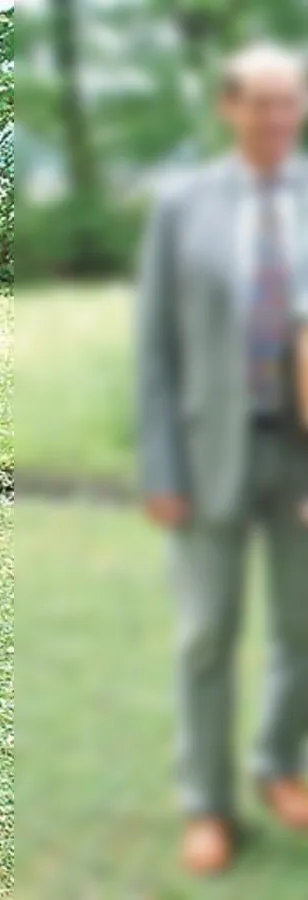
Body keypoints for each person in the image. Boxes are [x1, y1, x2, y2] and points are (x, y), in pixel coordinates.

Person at [136, 42, 308, 875]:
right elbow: (157, 349)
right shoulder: (185, 205)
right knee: (208, 634)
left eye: (289, 103)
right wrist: (162, 466)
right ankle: (209, 803)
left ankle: (278, 763)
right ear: (230, 108)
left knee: (301, 627)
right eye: (260, 103)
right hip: (211, 453)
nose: (275, 119)